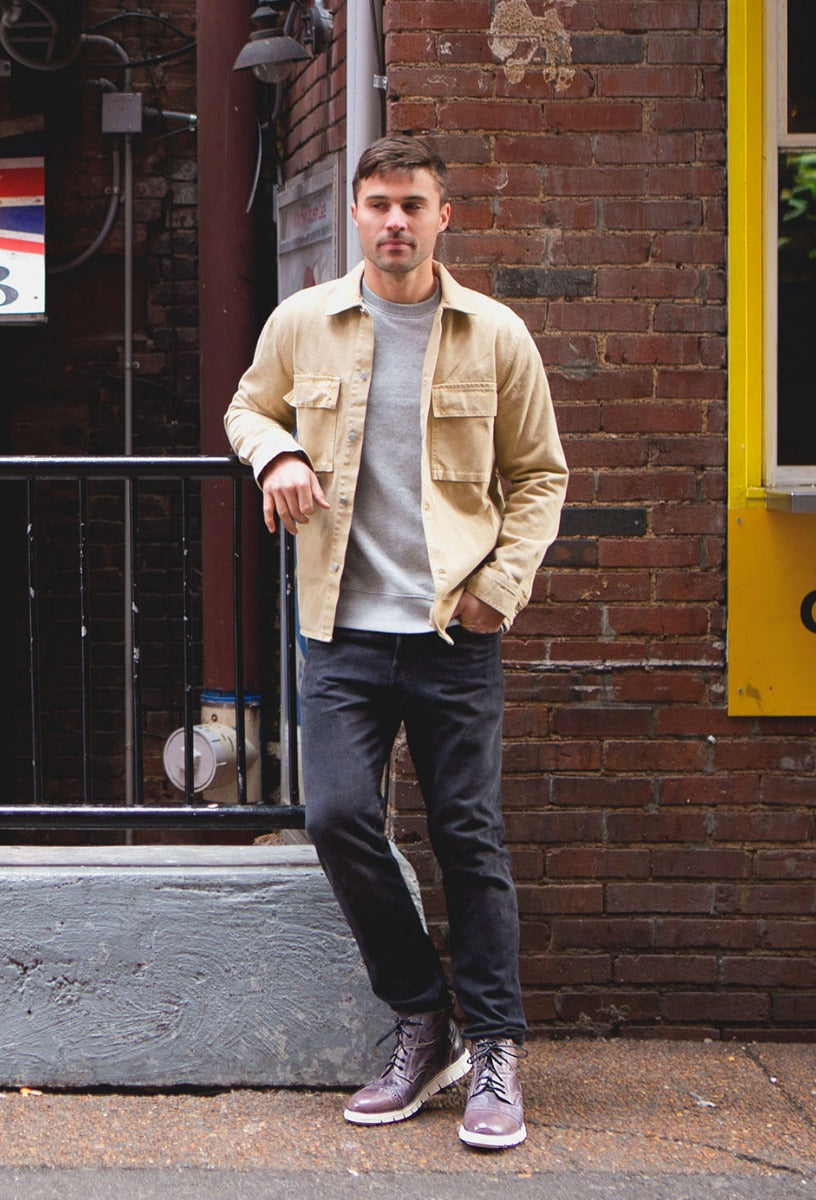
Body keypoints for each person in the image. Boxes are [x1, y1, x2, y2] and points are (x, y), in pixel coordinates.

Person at [225, 135, 567, 1150]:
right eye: (377, 204)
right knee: (335, 816)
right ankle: (423, 1018)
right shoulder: (304, 324)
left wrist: (498, 593)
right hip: (339, 632)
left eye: (411, 204)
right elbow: (247, 404)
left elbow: (539, 475)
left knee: (467, 838)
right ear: (356, 216)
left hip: (452, 632)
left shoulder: (494, 336)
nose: (393, 222)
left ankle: (496, 1047)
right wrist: (277, 450)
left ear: (441, 215)